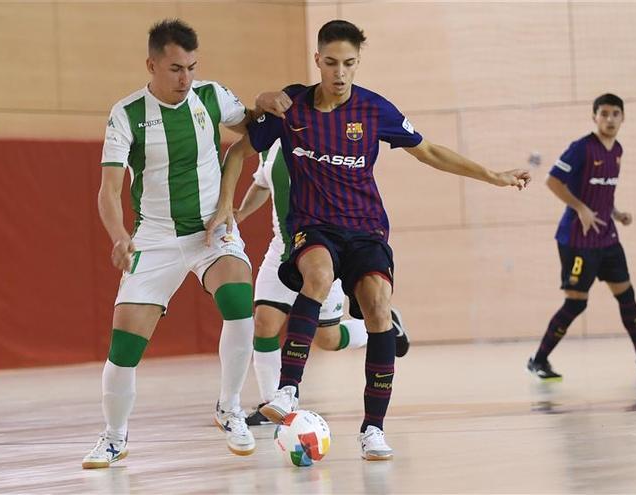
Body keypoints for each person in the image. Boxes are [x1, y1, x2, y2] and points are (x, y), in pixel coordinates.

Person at [207, 20, 530, 461]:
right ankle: (287, 389)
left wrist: (492, 175)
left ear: (358, 64)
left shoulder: (374, 110)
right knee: (316, 275)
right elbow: (239, 151)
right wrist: (227, 205)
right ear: (318, 59)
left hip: (365, 227)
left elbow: (429, 151)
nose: (340, 73)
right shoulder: (292, 106)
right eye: (333, 62)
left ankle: (373, 429)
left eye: (350, 64)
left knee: (378, 303)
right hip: (313, 225)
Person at [82, 18, 281, 468]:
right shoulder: (127, 113)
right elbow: (108, 190)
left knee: (237, 296)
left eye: (191, 67)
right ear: (151, 64)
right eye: (174, 69)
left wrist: (263, 108)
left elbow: (254, 131)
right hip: (153, 238)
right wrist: (119, 237)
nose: (185, 78)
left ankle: (229, 407)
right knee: (124, 347)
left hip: (211, 232)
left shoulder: (211, 97)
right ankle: (114, 437)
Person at [234, 136, 411, 426]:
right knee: (264, 322)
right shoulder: (268, 144)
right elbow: (261, 184)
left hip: (320, 249)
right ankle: (274, 405)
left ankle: (384, 327)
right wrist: (240, 212)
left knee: (326, 339)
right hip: (282, 247)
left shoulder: (320, 141)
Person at [527, 93, 636, 381]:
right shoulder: (581, 148)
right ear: (594, 116)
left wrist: (617, 213)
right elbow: (552, 181)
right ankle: (538, 360)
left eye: (615, 114)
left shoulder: (617, 150)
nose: (609, 119)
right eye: (604, 113)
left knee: (627, 297)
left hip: (607, 237)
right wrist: (581, 208)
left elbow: (603, 191)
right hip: (577, 240)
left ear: (623, 118)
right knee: (576, 303)